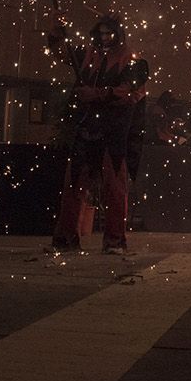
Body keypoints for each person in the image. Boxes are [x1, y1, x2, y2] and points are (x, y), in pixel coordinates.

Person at [49, 14, 149, 253]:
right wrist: (57, 29)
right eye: (100, 34)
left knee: (114, 186)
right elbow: (61, 52)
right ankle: (66, 238)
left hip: (114, 131)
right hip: (86, 127)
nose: (104, 38)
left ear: (117, 35)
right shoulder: (89, 56)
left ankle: (115, 240)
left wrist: (96, 95)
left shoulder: (134, 62)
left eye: (108, 34)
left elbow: (128, 93)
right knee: (73, 184)